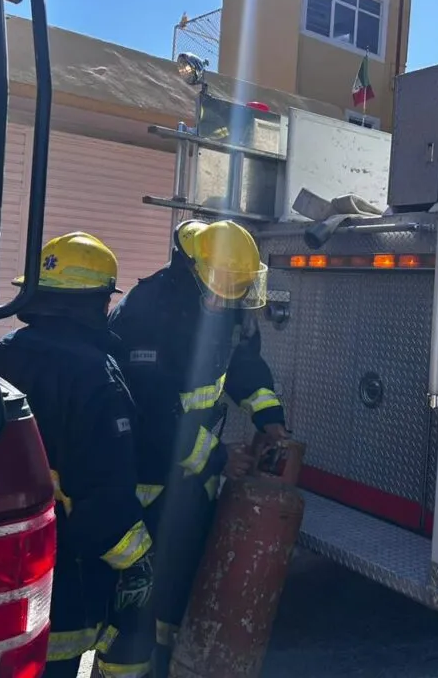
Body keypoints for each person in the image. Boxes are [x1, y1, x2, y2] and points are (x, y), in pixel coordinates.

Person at [107, 218, 288, 674]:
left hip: (191, 476)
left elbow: (244, 365)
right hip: (144, 478)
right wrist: (220, 457)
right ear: (194, 268)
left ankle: (169, 663)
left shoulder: (229, 307)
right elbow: (153, 410)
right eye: (225, 281)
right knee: (134, 595)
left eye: (239, 284)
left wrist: (269, 417)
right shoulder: (150, 309)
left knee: (179, 584)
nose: (229, 294)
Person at [0, 232, 155, 678]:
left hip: (2, 555)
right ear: (94, 302)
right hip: (65, 570)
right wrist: (136, 561)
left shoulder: (3, 353)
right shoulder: (97, 375)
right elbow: (108, 489)